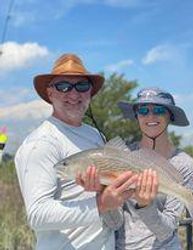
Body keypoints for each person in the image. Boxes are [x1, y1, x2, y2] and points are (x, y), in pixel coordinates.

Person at [14, 53, 138, 250]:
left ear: (90, 93)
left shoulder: (95, 135)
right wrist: (101, 203)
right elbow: (37, 214)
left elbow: (107, 191)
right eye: (63, 86)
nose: (73, 94)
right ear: (50, 93)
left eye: (81, 86)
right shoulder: (41, 143)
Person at [115, 87, 193, 250]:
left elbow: (167, 231)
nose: (150, 116)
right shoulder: (121, 154)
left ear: (170, 116)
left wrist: (145, 206)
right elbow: (114, 222)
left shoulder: (184, 164)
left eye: (159, 110)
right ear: (136, 116)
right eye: (143, 110)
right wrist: (105, 200)